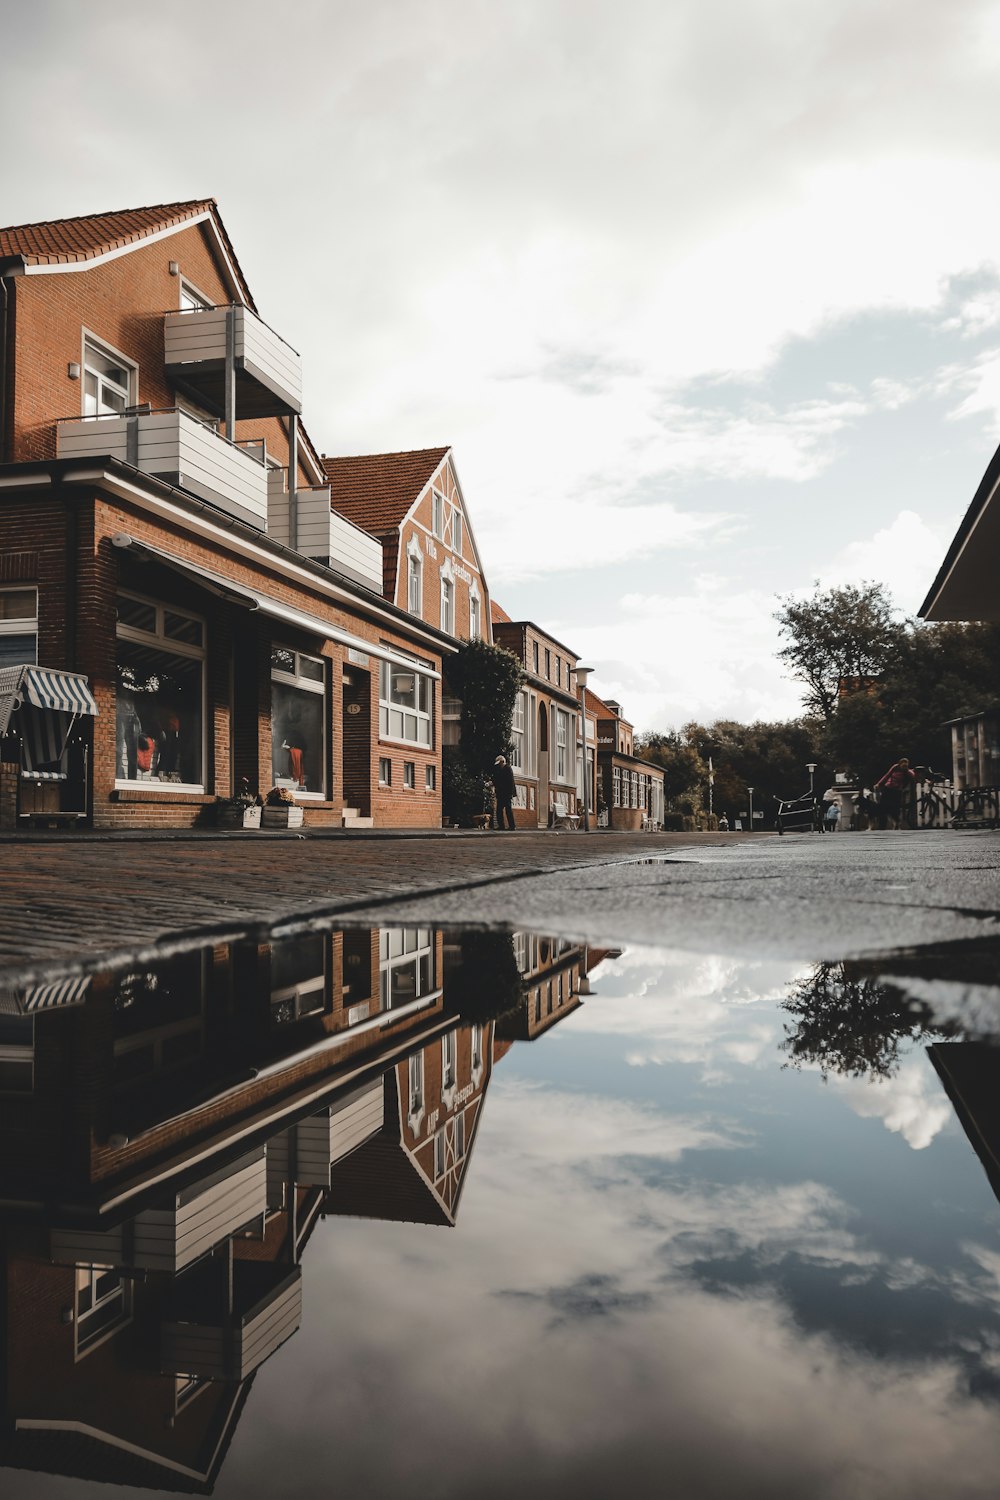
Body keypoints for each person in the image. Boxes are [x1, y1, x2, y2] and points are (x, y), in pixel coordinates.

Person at [875, 757, 916, 830]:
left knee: (895, 808)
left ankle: (897, 823)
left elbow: (914, 778)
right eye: (902, 766)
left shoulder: (908, 773)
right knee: (882, 807)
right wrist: (879, 784)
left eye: (905, 766)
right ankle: (882, 826)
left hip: (897, 791)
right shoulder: (895, 767)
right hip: (888, 788)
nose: (903, 768)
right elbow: (887, 775)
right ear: (899, 764)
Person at [491, 754, 516, 830]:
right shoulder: (500, 770)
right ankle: (501, 826)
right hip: (501, 793)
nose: (499, 765)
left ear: (502, 762)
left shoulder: (508, 769)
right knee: (499, 810)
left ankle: (512, 826)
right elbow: (496, 780)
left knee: (508, 810)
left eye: (499, 763)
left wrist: (510, 794)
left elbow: (510, 783)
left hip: (506, 794)